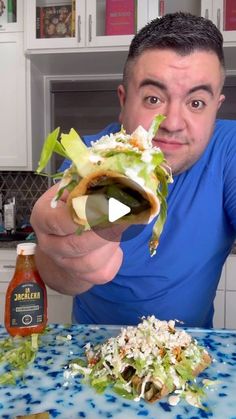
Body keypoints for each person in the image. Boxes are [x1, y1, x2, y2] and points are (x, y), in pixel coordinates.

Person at [30, 12, 236, 328]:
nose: (172, 124)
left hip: (187, 350)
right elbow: (56, 270)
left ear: (215, 108)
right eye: (153, 98)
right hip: (94, 348)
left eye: (196, 103)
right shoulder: (89, 159)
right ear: (124, 101)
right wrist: (68, 258)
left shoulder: (228, 151)